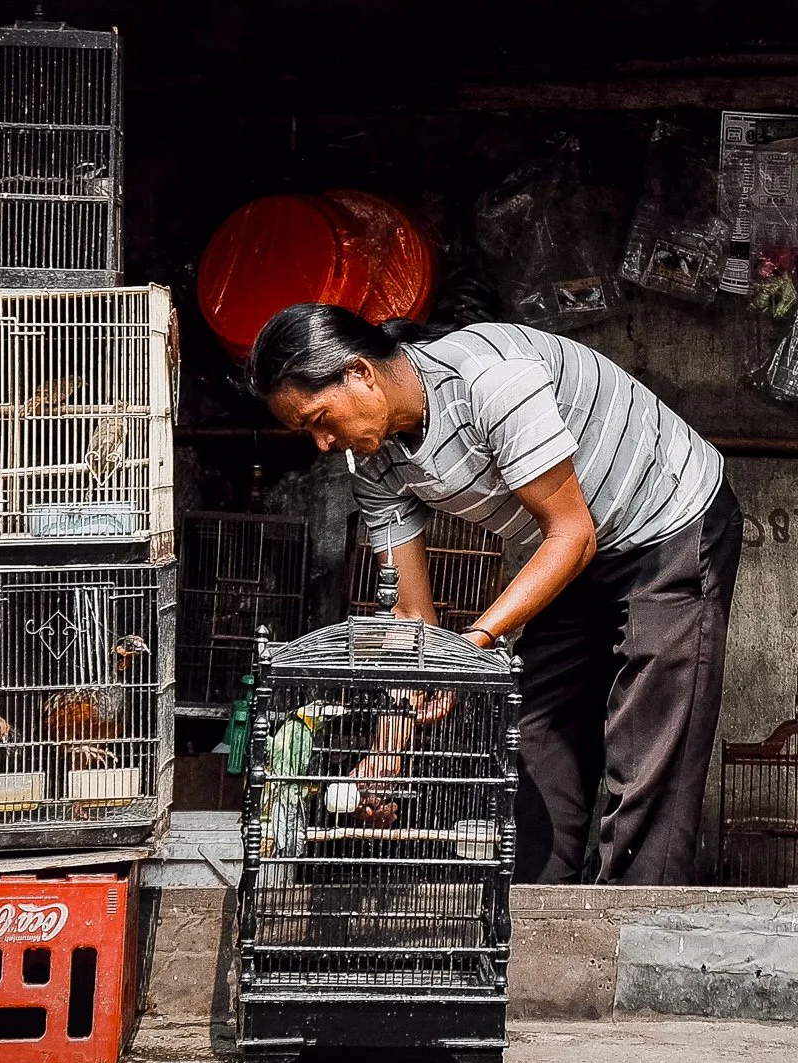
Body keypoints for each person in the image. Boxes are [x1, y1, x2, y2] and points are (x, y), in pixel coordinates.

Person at [249, 303, 739, 886]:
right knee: (536, 728)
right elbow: (411, 615)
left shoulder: (491, 381)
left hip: (668, 524)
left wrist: (475, 645)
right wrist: (388, 749)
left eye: (319, 418)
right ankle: (533, 918)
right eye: (308, 432)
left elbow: (571, 533)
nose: (324, 444)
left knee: (649, 743)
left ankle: (629, 930)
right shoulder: (374, 462)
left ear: (359, 373)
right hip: (577, 550)